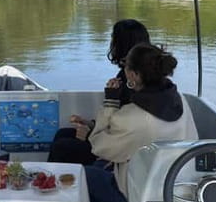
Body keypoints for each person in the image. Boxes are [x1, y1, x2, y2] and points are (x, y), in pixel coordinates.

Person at [85, 43, 198, 202]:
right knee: (103, 168)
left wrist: (110, 102)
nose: (124, 69)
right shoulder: (179, 100)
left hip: (143, 196)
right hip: (178, 186)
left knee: (88, 175)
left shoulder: (133, 116)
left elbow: (98, 145)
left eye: (127, 66)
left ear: (134, 75)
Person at [47, 19, 150, 164]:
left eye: (113, 39)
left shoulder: (131, 82)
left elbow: (125, 129)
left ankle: (54, 183)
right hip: (119, 139)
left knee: (61, 147)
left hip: (121, 152)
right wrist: (89, 124)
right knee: (62, 134)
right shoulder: (142, 77)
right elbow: (118, 121)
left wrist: (91, 134)